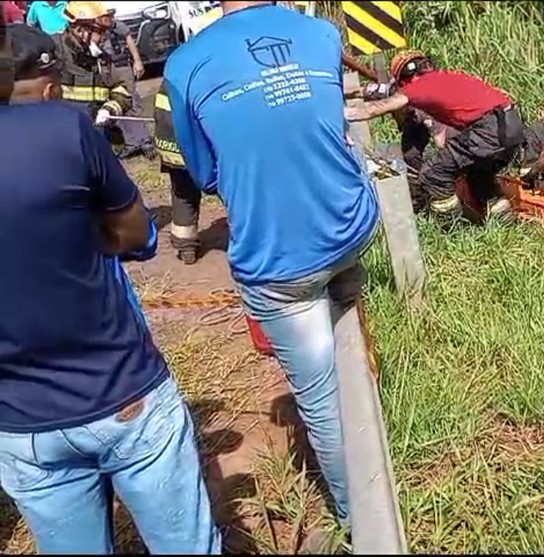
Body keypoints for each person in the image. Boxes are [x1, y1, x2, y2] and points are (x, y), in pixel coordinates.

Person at [0, 23, 221, 554]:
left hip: (21, 424)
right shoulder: (64, 130)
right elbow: (136, 233)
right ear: (49, 83)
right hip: (119, 393)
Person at [164, 0, 380, 528]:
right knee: (346, 327)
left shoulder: (185, 64)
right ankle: (372, 409)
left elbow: (204, 173)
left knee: (322, 397)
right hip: (352, 226)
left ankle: (363, 522)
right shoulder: (320, 34)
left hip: (279, 259)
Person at [345, 49, 525, 225]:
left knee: (433, 174)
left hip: (487, 131)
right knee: (479, 175)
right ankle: (505, 221)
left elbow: (374, 109)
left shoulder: (416, 88)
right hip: (512, 125)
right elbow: (377, 90)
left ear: (404, 79)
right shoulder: (448, 77)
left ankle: (453, 228)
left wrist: (335, 113)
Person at [152, 5, 224, 265]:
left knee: (183, 192)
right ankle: (247, 235)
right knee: (232, 185)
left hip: (170, 142)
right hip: (191, 141)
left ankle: (186, 246)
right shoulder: (209, 67)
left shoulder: (180, 62)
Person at [49, 1, 131, 125]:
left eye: (106, 31)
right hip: (63, 129)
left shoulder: (103, 59)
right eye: (100, 31)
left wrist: (109, 110)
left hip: (94, 132)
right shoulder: (53, 50)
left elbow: (122, 91)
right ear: (80, 30)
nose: (105, 37)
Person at [98, 7, 152, 158]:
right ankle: (131, 142)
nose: (109, 18)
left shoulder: (116, 26)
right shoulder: (93, 29)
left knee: (132, 103)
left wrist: (137, 61)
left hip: (121, 66)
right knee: (116, 105)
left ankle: (145, 141)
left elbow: (128, 38)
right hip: (105, 68)